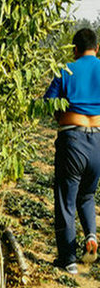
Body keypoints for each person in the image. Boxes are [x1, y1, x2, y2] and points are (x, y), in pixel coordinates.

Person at [44, 27, 100, 274]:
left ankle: (68, 260)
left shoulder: (66, 69)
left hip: (72, 141)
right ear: (96, 49)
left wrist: (62, 114)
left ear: (75, 50)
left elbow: (49, 103)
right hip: (98, 141)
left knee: (66, 202)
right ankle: (91, 236)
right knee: (87, 195)